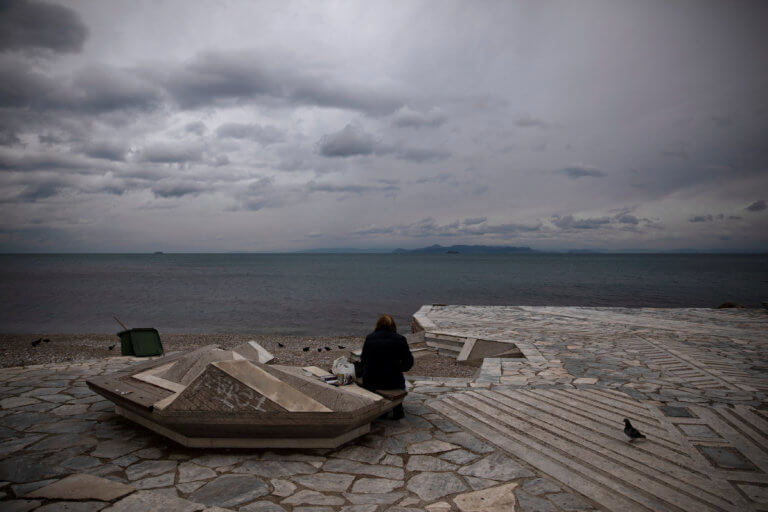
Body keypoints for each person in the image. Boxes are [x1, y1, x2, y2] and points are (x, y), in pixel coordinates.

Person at [360, 314, 414, 420]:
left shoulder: (370, 338)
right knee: (398, 380)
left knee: (370, 376)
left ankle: (381, 410)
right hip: (393, 381)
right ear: (393, 325)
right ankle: (398, 410)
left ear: (378, 325)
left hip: (372, 381)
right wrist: (399, 368)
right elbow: (409, 362)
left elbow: (363, 360)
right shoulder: (400, 339)